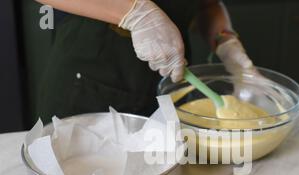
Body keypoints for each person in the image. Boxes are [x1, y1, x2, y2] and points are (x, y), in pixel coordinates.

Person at [35, 0, 257, 123]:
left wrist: (227, 44)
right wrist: (136, 13)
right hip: (88, 85)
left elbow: (207, 5)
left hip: (169, 84)